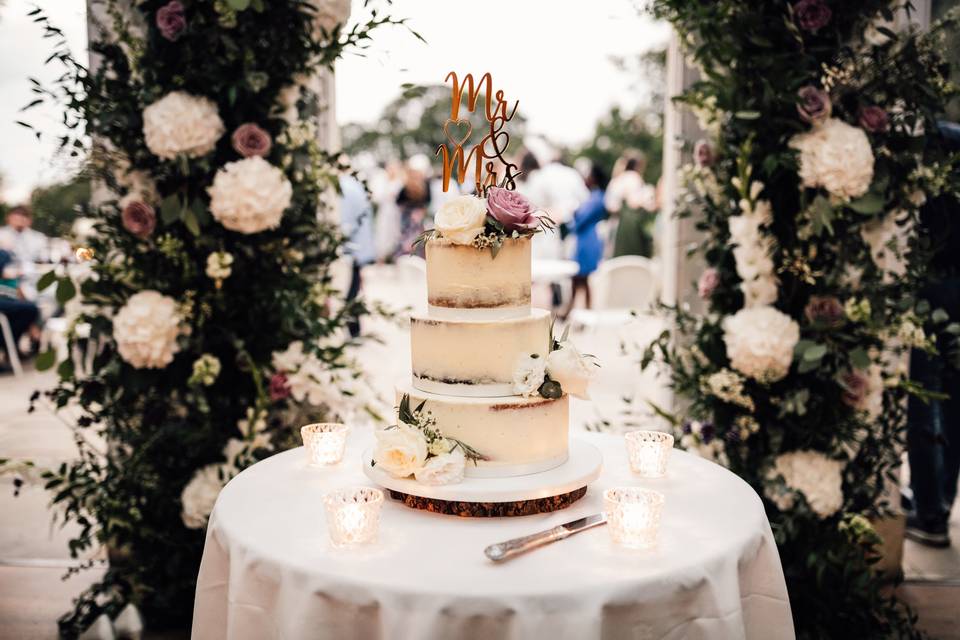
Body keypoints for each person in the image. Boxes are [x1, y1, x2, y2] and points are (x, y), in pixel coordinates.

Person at [905, 121, 960, 548]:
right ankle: (940, 498)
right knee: (954, 398)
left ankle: (930, 513)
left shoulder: (927, 147)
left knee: (925, 396)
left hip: (932, 284)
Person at [561, 163, 608, 318]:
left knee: (581, 277)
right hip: (586, 239)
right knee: (581, 278)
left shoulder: (595, 198)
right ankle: (576, 310)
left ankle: (579, 311)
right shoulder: (597, 196)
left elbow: (580, 220)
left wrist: (573, 212)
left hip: (587, 241)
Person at [339, 174, 376, 339]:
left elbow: (345, 220)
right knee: (353, 287)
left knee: (350, 289)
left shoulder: (344, 187)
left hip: (350, 247)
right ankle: (354, 328)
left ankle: (353, 329)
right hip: (358, 246)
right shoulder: (355, 185)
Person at [605, 151, 657, 257]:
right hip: (628, 226)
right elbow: (635, 203)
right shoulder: (633, 178)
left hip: (615, 223)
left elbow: (609, 205)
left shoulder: (617, 179)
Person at [0, 249, 41, 369]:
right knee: (30, 309)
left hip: (7, 295)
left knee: (30, 308)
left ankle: (9, 346)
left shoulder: (5, 253)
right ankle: (8, 346)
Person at [395, 156, 432, 258]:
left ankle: (407, 257)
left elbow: (398, 201)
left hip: (409, 216)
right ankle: (415, 257)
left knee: (408, 238)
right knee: (415, 238)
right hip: (416, 216)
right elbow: (428, 201)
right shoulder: (424, 184)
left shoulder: (407, 185)